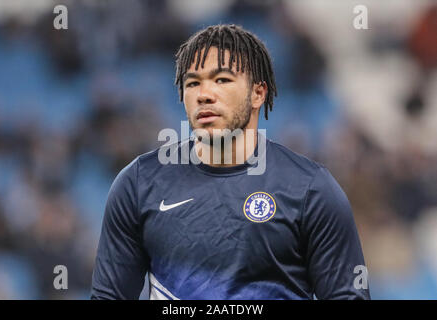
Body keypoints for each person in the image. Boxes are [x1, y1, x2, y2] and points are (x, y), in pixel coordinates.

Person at [91, 24, 370, 300]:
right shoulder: (139, 183)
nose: (204, 94)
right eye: (192, 83)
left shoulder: (311, 189)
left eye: (222, 80)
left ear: (258, 93)